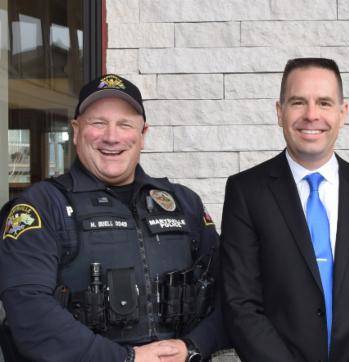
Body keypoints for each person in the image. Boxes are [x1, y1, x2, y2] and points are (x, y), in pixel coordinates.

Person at [0, 74, 227, 361]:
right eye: (98, 123)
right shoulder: (42, 206)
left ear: (142, 135)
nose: (111, 136)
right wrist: (125, 359)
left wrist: (193, 346)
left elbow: (232, 293)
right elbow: (28, 311)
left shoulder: (184, 203)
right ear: (76, 129)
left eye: (125, 124)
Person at [220, 57, 349, 362]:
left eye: (324, 102)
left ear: (342, 113)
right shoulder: (246, 192)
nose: (311, 115)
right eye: (297, 102)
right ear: (279, 112)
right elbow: (240, 303)